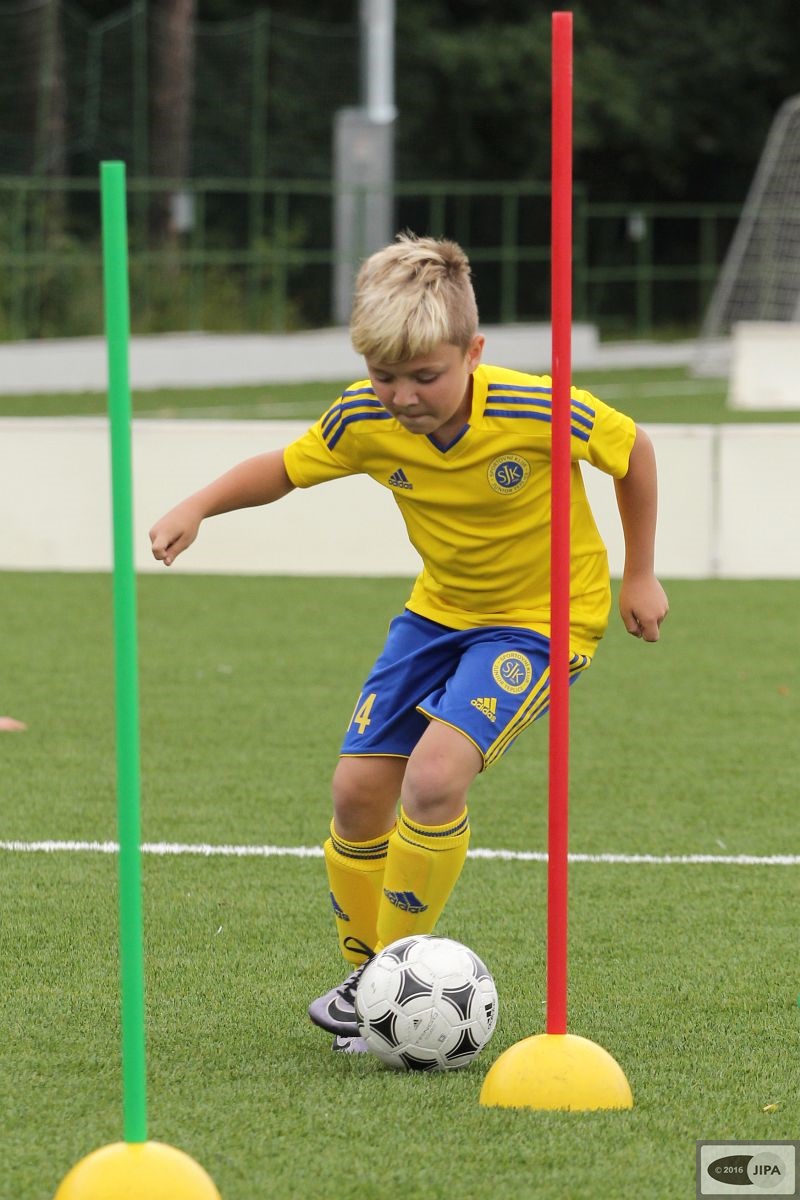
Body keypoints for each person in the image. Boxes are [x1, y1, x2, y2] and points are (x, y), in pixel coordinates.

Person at [149, 233, 669, 1054]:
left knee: (432, 778)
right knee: (356, 791)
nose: (403, 396)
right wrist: (197, 507)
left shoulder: (534, 407)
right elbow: (285, 467)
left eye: (425, 376)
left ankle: (386, 976)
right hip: (435, 615)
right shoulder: (364, 415)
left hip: (543, 620)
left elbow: (631, 449)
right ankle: (367, 980)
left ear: (474, 352)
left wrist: (640, 573)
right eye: (384, 375)